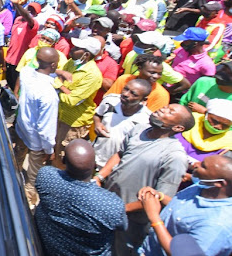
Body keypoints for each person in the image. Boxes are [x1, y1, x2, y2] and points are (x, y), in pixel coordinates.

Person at [96, 104, 196, 255]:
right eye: (166, 107)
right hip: (108, 203)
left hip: (131, 221)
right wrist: (100, 176)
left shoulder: (175, 156)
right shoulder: (139, 129)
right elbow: (120, 154)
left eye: (170, 111)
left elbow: (159, 198)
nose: (163, 109)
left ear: (178, 128)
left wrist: (121, 210)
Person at [35, 139, 127, 256]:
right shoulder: (111, 205)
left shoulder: (46, 176)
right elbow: (123, 226)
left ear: (63, 161)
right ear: (94, 166)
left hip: (48, 249)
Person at [138, 155, 232, 256]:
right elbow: (185, 211)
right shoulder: (203, 186)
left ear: (219, 183)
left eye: (203, 166)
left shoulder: (217, 226)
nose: (195, 164)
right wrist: (160, 196)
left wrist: (154, 218)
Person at [13, 47, 60, 207]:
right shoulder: (49, 95)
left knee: (16, 161)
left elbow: (44, 73)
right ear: (53, 65)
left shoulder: (26, 73)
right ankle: (25, 203)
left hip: (21, 129)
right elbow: (45, 129)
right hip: (37, 143)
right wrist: (49, 150)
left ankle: (11, 182)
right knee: (32, 178)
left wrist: (60, 73)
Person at [54, 36, 104, 168]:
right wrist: (62, 87)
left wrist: (58, 86)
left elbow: (72, 100)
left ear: (86, 55)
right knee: (56, 147)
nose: (72, 49)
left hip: (73, 122)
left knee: (65, 155)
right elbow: (59, 79)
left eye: (77, 48)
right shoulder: (72, 62)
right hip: (59, 113)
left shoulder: (92, 75)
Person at [93, 78, 153, 169]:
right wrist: (97, 124)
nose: (125, 94)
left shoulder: (145, 119)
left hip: (116, 166)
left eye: (133, 94)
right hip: (95, 156)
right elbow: (98, 114)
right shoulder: (110, 100)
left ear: (143, 99)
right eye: (125, 89)